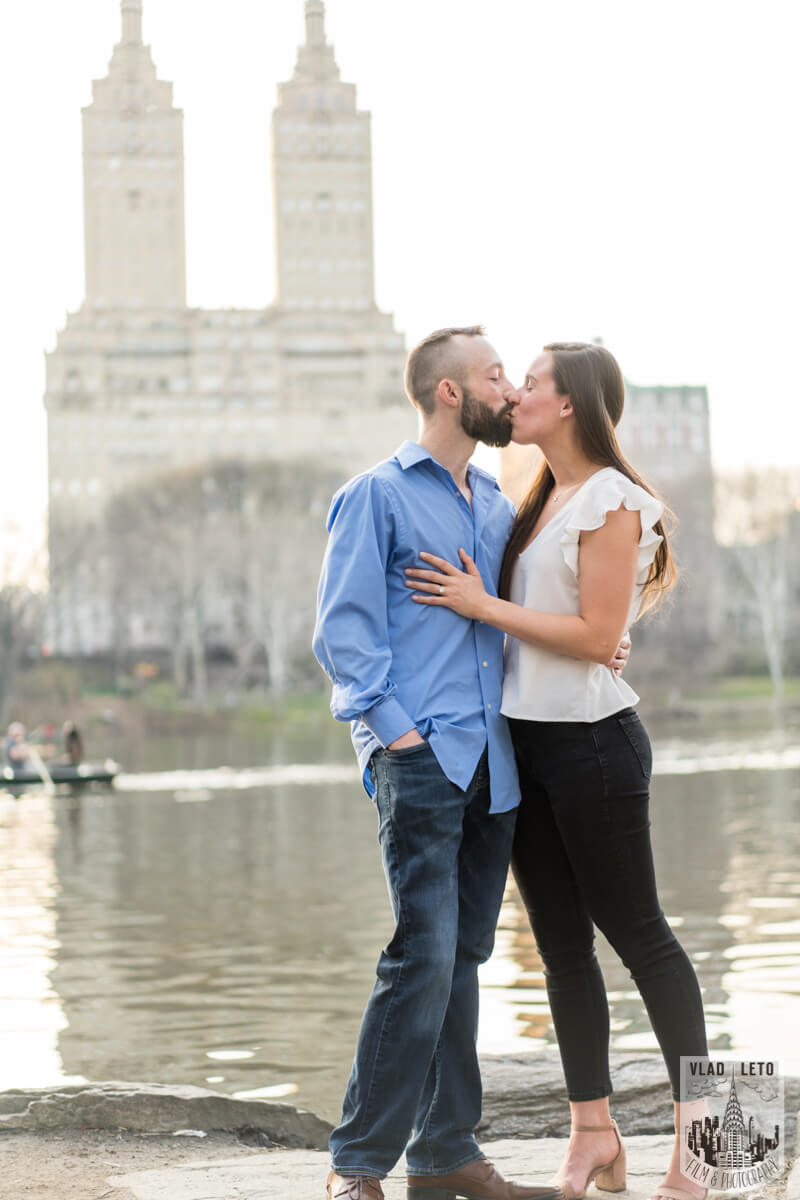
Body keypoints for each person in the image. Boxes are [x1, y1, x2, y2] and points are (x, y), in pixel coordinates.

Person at [406, 342, 708, 1200]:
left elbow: (589, 633)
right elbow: (573, 629)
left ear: (568, 402)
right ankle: (592, 1133)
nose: (515, 395)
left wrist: (483, 603)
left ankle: (716, 1149)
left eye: (528, 382)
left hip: (593, 748)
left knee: (643, 936)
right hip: (523, 749)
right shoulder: (533, 501)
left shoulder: (614, 498)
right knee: (561, 952)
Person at [313, 326, 607, 1200]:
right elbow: (342, 633)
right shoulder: (375, 495)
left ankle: (444, 1155)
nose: (510, 390)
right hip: (425, 759)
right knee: (422, 953)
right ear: (451, 394)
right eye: (493, 376)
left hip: (498, 766)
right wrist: (397, 734)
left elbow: (527, 610)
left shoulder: (491, 500)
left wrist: (604, 639)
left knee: (463, 956)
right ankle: (355, 1163)